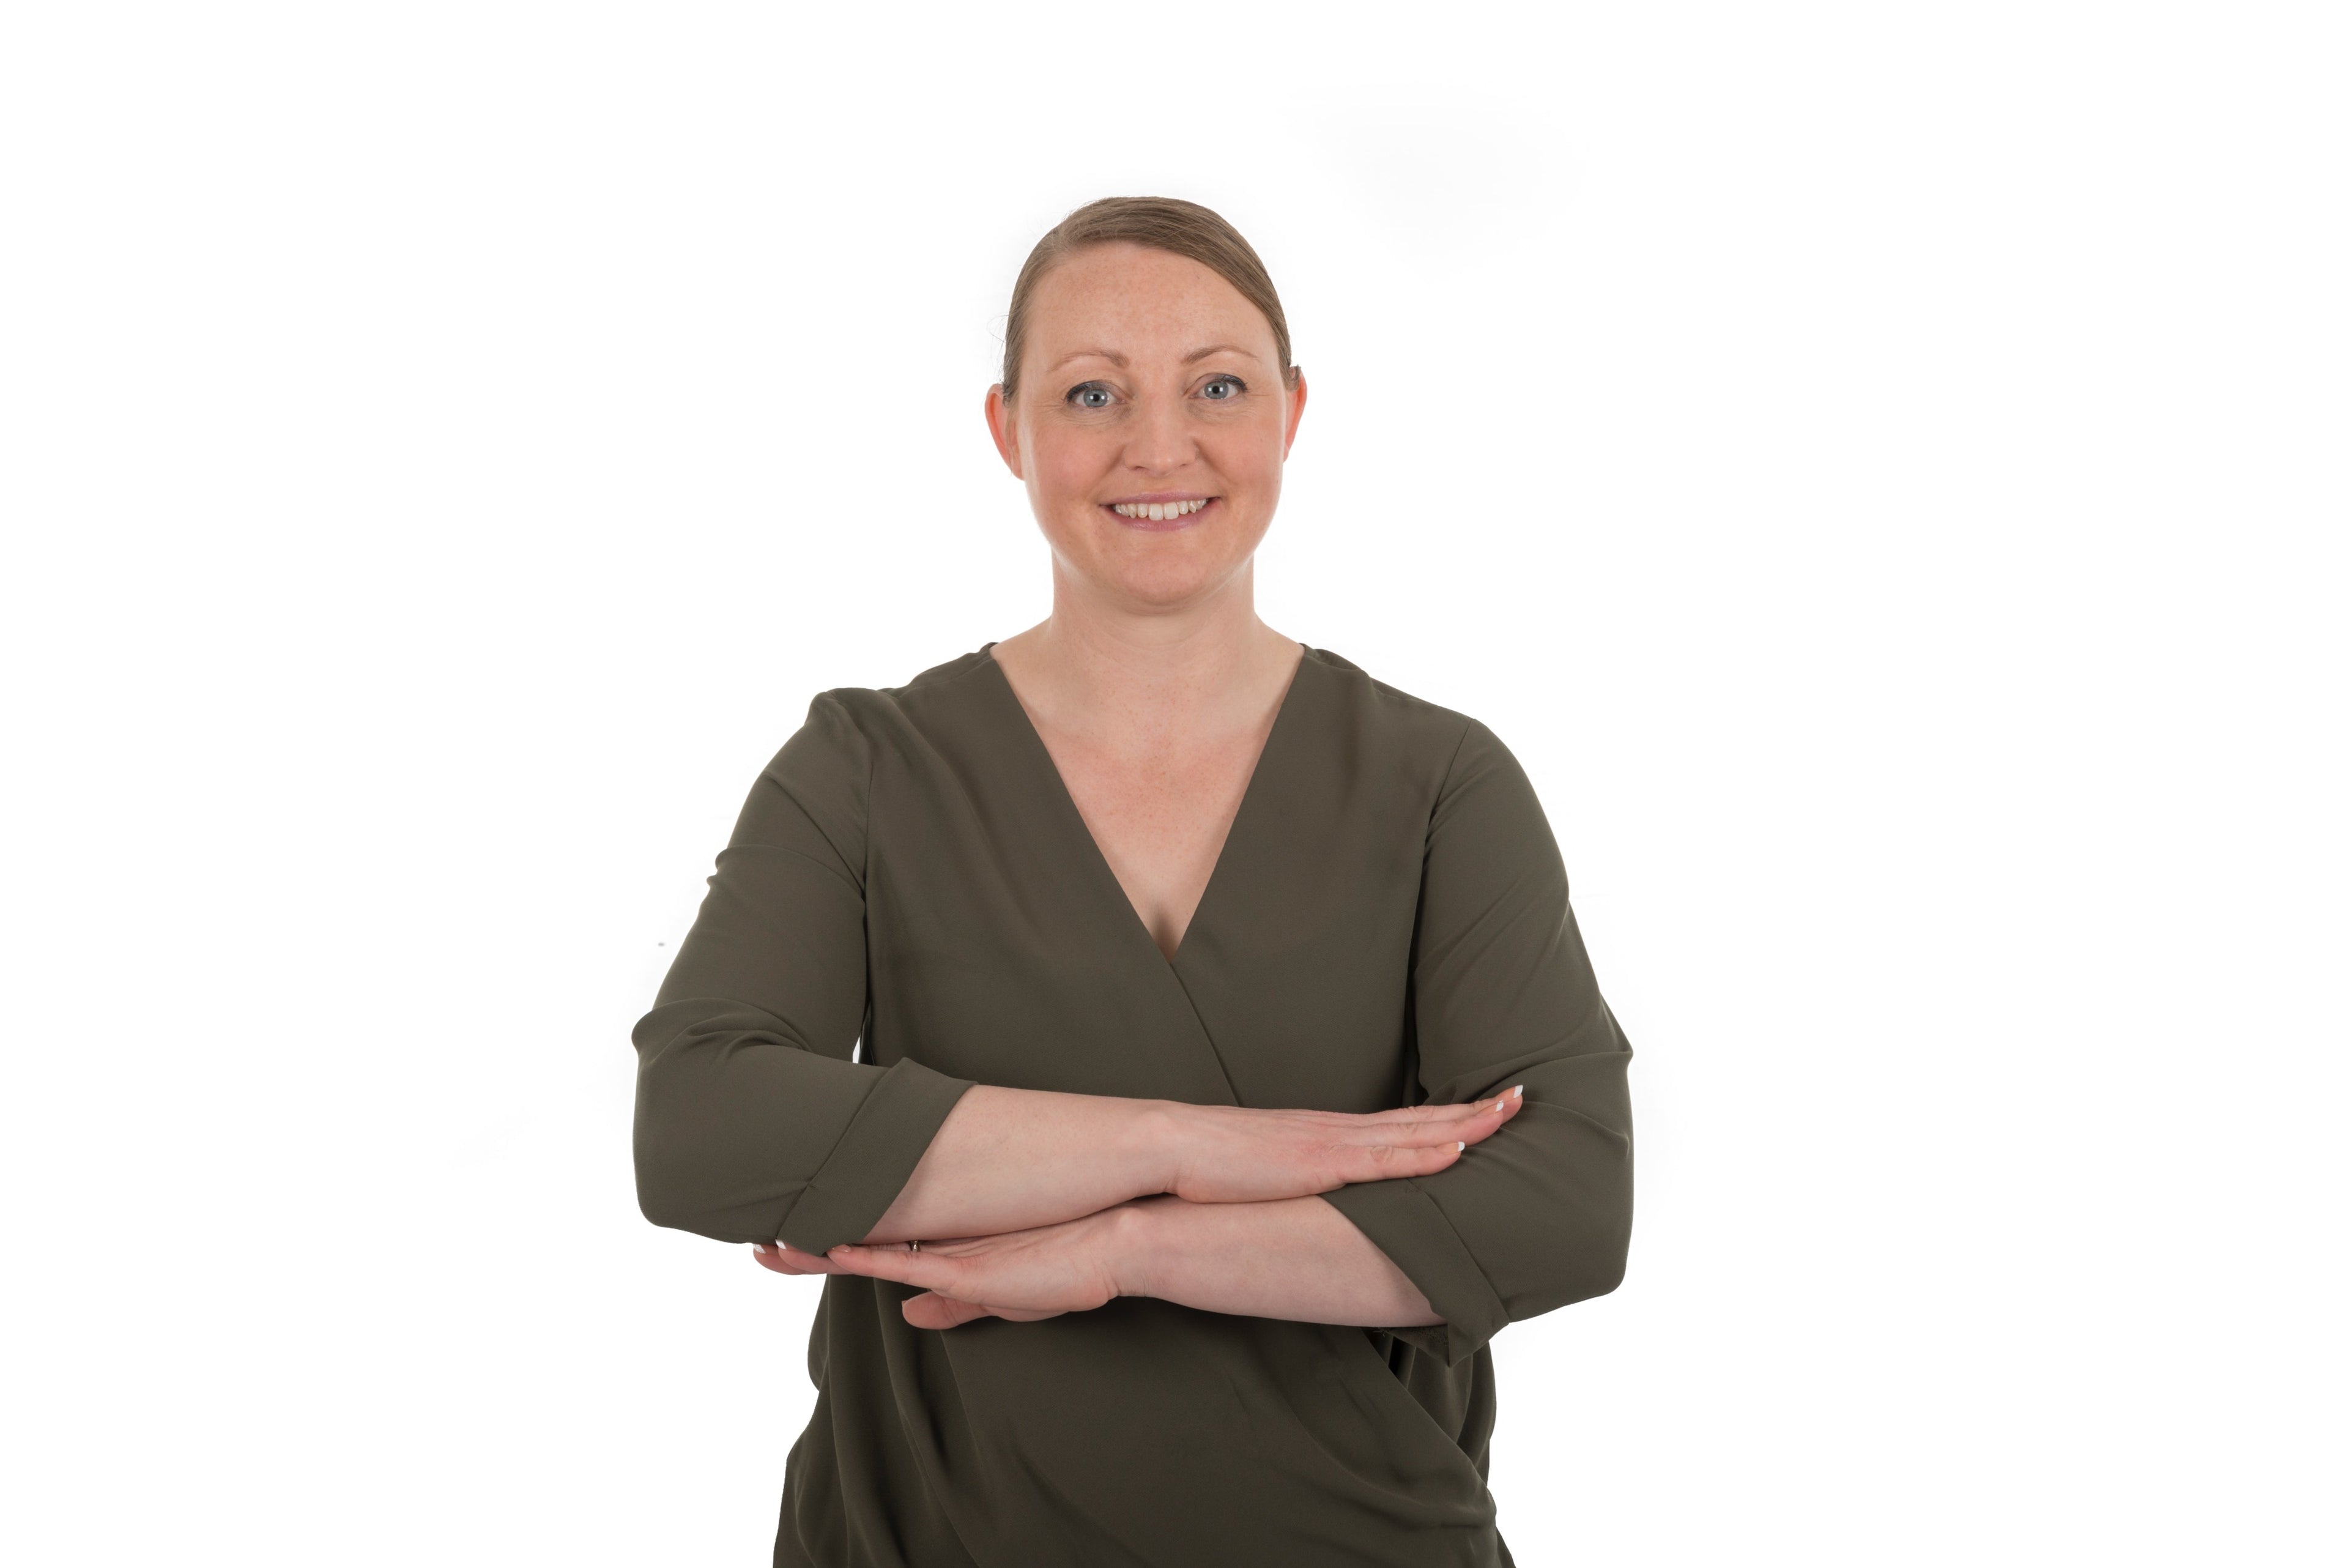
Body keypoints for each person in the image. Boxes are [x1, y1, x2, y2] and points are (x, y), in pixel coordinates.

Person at [631, 196, 1635, 1568]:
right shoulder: (866, 768)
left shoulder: (1440, 784)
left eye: (1216, 386)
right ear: (1009, 431)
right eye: (1093, 391)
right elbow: (701, 1125)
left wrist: (1126, 1245)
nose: (1159, 447)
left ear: (1290, 413)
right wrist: (1186, 1142)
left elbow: (1564, 1202)